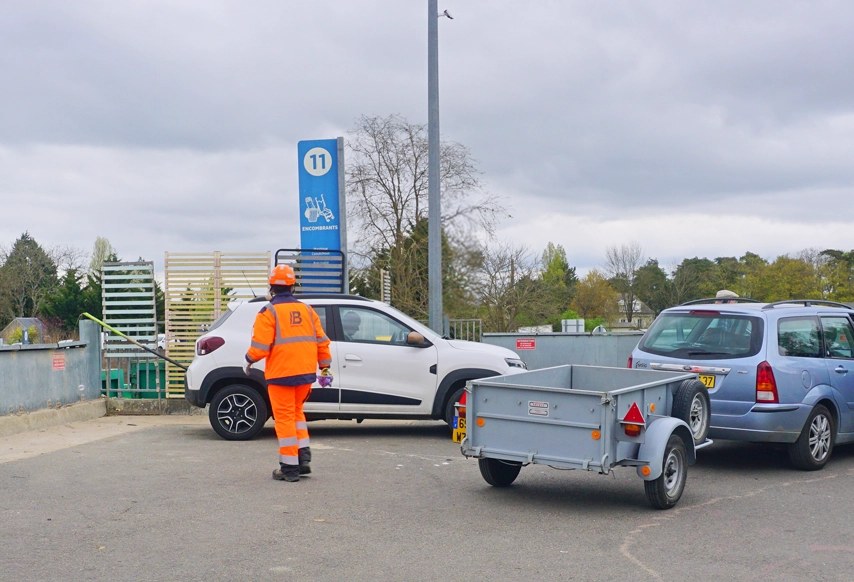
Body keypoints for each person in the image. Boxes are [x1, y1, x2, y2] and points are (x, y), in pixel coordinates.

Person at [244, 264, 332, 482]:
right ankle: (303, 459)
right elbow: (322, 341)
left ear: (271, 286)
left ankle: (289, 467)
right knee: (296, 414)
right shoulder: (307, 310)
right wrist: (325, 367)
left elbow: (260, 347)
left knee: (284, 419)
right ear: (293, 286)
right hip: (305, 373)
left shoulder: (268, 312)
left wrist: (248, 360)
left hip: (281, 374)